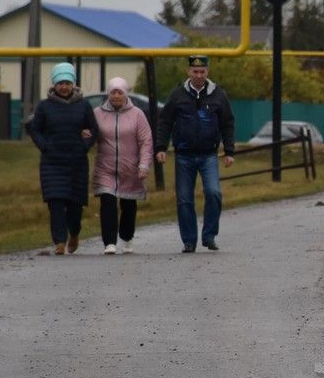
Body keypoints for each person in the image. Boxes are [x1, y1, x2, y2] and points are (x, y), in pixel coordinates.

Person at [154, 55, 236, 253]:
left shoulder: (218, 95)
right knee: (184, 199)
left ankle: (209, 236)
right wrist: (161, 147)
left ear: (207, 72)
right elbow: (164, 122)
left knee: (214, 193)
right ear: (188, 72)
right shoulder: (178, 95)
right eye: (195, 71)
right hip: (184, 155)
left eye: (202, 71)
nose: (199, 75)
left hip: (209, 155)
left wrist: (229, 150)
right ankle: (189, 241)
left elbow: (227, 123)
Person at [26, 62, 100, 255]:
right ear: (54, 85)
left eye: (67, 82)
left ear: (73, 84)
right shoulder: (45, 106)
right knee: (55, 203)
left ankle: (74, 233)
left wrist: (85, 145)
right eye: (60, 83)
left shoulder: (83, 106)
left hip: (76, 163)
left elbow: (94, 130)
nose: (64, 86)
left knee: (75, 206)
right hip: (52, 163)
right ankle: (59, 241)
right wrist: (45, 146)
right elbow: (35, 129)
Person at [92, 76, 154, 254]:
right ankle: (109, 242)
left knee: (128, 204)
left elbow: (146, 141)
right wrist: (86, 134)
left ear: (126, 94)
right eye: (113, 92)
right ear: (108, 94)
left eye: (120, 92)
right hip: (106, 167)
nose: (116, 96)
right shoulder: (97, 113)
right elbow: (90, 133)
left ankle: (126, 237)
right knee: (107, 202)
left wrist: (144, 165)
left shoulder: (137, 115)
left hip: (130, 168)